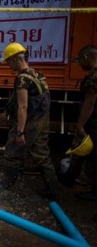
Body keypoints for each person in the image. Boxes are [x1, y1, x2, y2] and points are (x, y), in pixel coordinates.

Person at [0, 42, 58, 199]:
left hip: (30, 122)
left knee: (13, 151)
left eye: (8, 62)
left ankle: (7, 183)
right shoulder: (37, 73)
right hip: (42, 119)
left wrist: (20, 131)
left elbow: (23, 107)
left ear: (14, 59)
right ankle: (53, 190)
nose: (8, 65)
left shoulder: (22, 79)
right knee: (42, 154)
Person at [69, 45, 97, 201]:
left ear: (86, 58)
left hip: (94, 124)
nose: (79, 64)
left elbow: (89, 104)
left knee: (94, 157)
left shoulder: (93, 77)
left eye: (79, 60)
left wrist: (80, 125)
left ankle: (94, 192)